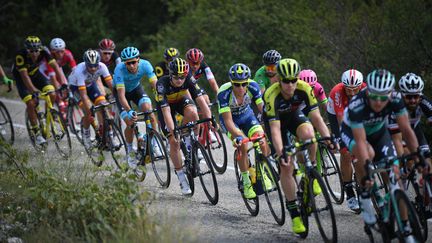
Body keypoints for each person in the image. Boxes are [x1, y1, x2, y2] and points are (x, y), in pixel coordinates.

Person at [340, 69, 419, 226]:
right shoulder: (357, 105)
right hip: (353, 132)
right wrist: (367, 167)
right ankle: (365, 195)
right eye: (374, 96)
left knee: (396, 179)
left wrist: (418, 155)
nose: (378, 102)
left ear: (390, 93)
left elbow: (406, 130)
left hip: (378, 132)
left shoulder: (396, 99)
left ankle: (405, 227)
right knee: (367, 155)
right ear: (368, 91)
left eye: (383, 97)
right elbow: (361, 141)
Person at [263, 58, 333, 235]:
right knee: (286, 166)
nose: (290, 84)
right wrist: (281, 152)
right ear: (279, 79)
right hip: (276, 123)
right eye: (286, 81)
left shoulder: (304, 88)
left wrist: (327, 137)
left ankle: (311, 171)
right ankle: (294, 213)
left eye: (293, 80)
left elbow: (316, 117)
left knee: (310, 135)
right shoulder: (272, 95)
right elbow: (275, 129)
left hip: (294, 116)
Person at [155, 57, 211, 195]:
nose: (180, 80)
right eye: (176, 77)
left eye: (182, 77)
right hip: (166, 107)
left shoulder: (189, 79)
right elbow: (166, 111)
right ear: (170, 74)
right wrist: (173, 131)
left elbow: (201, 100)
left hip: (180, 101)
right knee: (174, 142)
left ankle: (191, 142)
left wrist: (209, 118)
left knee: (193, 112)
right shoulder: (162, 84)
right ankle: (181, 178)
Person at [217, 63, 274, 199]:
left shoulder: (253, 86)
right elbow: (229, 121)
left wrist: (272, 123)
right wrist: (239, 135)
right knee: (242, 144)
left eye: (244, 84)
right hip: (230, 120)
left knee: (261, 139)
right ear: (232, 83)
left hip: (247, 116)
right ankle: (246, 182)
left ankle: (262, 171)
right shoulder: (224, 93)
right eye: (237, 84)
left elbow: (262, 109)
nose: (241, 87)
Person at [12, 36, 66, 145]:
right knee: (31, 102)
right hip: (21, 77)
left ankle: (48, 114)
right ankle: (37, 133)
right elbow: (25, 76)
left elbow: (55, 66)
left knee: (52, 93)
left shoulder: (44, 51)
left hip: (35, 73)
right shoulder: (20, 55)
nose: (34, 53)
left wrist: (64, 83)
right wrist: (33, 91)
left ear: (40, 49)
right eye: (31, 51)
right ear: (27, 50)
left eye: (36, 51)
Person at [113, 46, 161, 169]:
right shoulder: (119, 70)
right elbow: (121, 96)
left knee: (149, 111)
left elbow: (155, 85)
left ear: (138, 60)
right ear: (125, 63)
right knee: (129, 122)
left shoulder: (146, 65)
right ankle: (130, 151)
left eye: (134, 62)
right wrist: (129, 111)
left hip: (136, 89)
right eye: (128, 63)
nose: (132, 66)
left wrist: (161, 100)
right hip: (121, 93)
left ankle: (154, 143)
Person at [326, 69, 366, 212]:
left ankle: (363, 188)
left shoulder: (366, 90)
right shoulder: (337, 92)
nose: (352, 93)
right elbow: (342, 121)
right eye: (349, 90)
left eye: (355, 89)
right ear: (344, 87)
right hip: (338, 118)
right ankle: (349, 190)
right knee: (346, 152)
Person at [68, 49, 114, 149]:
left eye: (95, 66)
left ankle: (105, 133)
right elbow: (83, 95)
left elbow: (111, 84)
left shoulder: (102, 66)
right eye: (90, 66)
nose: (93, 69)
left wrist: (118, 96)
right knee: (88, 112)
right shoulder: (80, 70)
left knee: (103, 104)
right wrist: (89, 107)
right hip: (76, 87)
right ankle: (86, 135)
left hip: (90, 84)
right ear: (85, 64)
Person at [388, 73, 432, 168]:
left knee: (427, 162)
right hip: (395, 133)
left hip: (414, 129)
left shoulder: (424, 102)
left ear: (420, 95)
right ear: (402, 95)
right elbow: (397, 140)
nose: (412, 100)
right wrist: (403, 161)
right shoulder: (395, 104)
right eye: (408, 97)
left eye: (416, 96)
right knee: (408, 160)